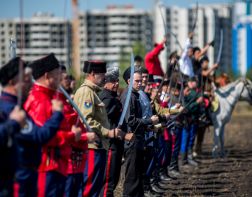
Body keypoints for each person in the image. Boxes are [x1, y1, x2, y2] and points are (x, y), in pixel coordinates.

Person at [0, 57, 66, 197]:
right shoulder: (10, 110)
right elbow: (38, 135)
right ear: (12, 82)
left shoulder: (16, 107)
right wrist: (57, 115)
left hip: (30, 173)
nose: (31, 83)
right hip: (22, 175)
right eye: (26, 79)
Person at [24, 53, 83, 197]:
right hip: (47, 166)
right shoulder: (40, 100)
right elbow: (44, 136)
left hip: (57, 165)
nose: (61, 79)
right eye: (57, 75)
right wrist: (71, 136)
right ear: (47, 76)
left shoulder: (50, 97)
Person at [74, 61, 123, 197]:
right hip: (91, 147)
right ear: (93, 74)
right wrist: (109, 132)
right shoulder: (86, 92)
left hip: (98, 147)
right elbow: (86, 120)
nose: (104, 77)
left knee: (95, 188)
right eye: (102, 74)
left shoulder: (93, 92)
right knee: (88, 188)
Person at [121, 67, 159, 197]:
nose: (140, 83)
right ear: (129, 81)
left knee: (138, 174)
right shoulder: (128, 96)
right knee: (132, 176)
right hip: (132, 141)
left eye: (140, 80)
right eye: (137, 81)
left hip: (139, 139)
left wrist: (148, 126)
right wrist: (149, 121)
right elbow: (130, 121)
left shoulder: (135, 95)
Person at [99, 65, 132, 197]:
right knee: (108, 182)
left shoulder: (113, 97)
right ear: (106, 82)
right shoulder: (106, 98)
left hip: (117, 143)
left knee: (114, 179)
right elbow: (104, 122)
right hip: (110, 144)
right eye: (113, 81)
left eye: (117, 80)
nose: (116, 83)